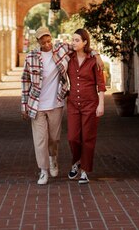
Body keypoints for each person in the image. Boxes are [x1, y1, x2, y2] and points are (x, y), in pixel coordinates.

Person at [21, 27, 103, 185]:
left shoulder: (61, 49)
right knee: (40, 140)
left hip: (56, 103)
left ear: (51, 38)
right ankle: (43, 171)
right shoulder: (31, 56)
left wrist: (96, 54)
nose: (47, 44)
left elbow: (81, 46)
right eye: (43, 42)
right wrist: (23, 105)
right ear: (37, 42)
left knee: (54, 139)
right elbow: (25, 81)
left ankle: (53, 159)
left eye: (48, 40)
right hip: (36, 105)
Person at [66, 28, 106, 185]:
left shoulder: (93, 61)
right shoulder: (69, 58)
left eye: (77, 40)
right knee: (73, 138)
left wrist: (101, 104)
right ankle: (76, 161)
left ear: (84, 42)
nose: (73, 42)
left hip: (91, 104)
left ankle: (84, 172)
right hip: (73, 104)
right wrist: (97, 52)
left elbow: (100, 85)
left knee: (88, 138)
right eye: (73, 39)